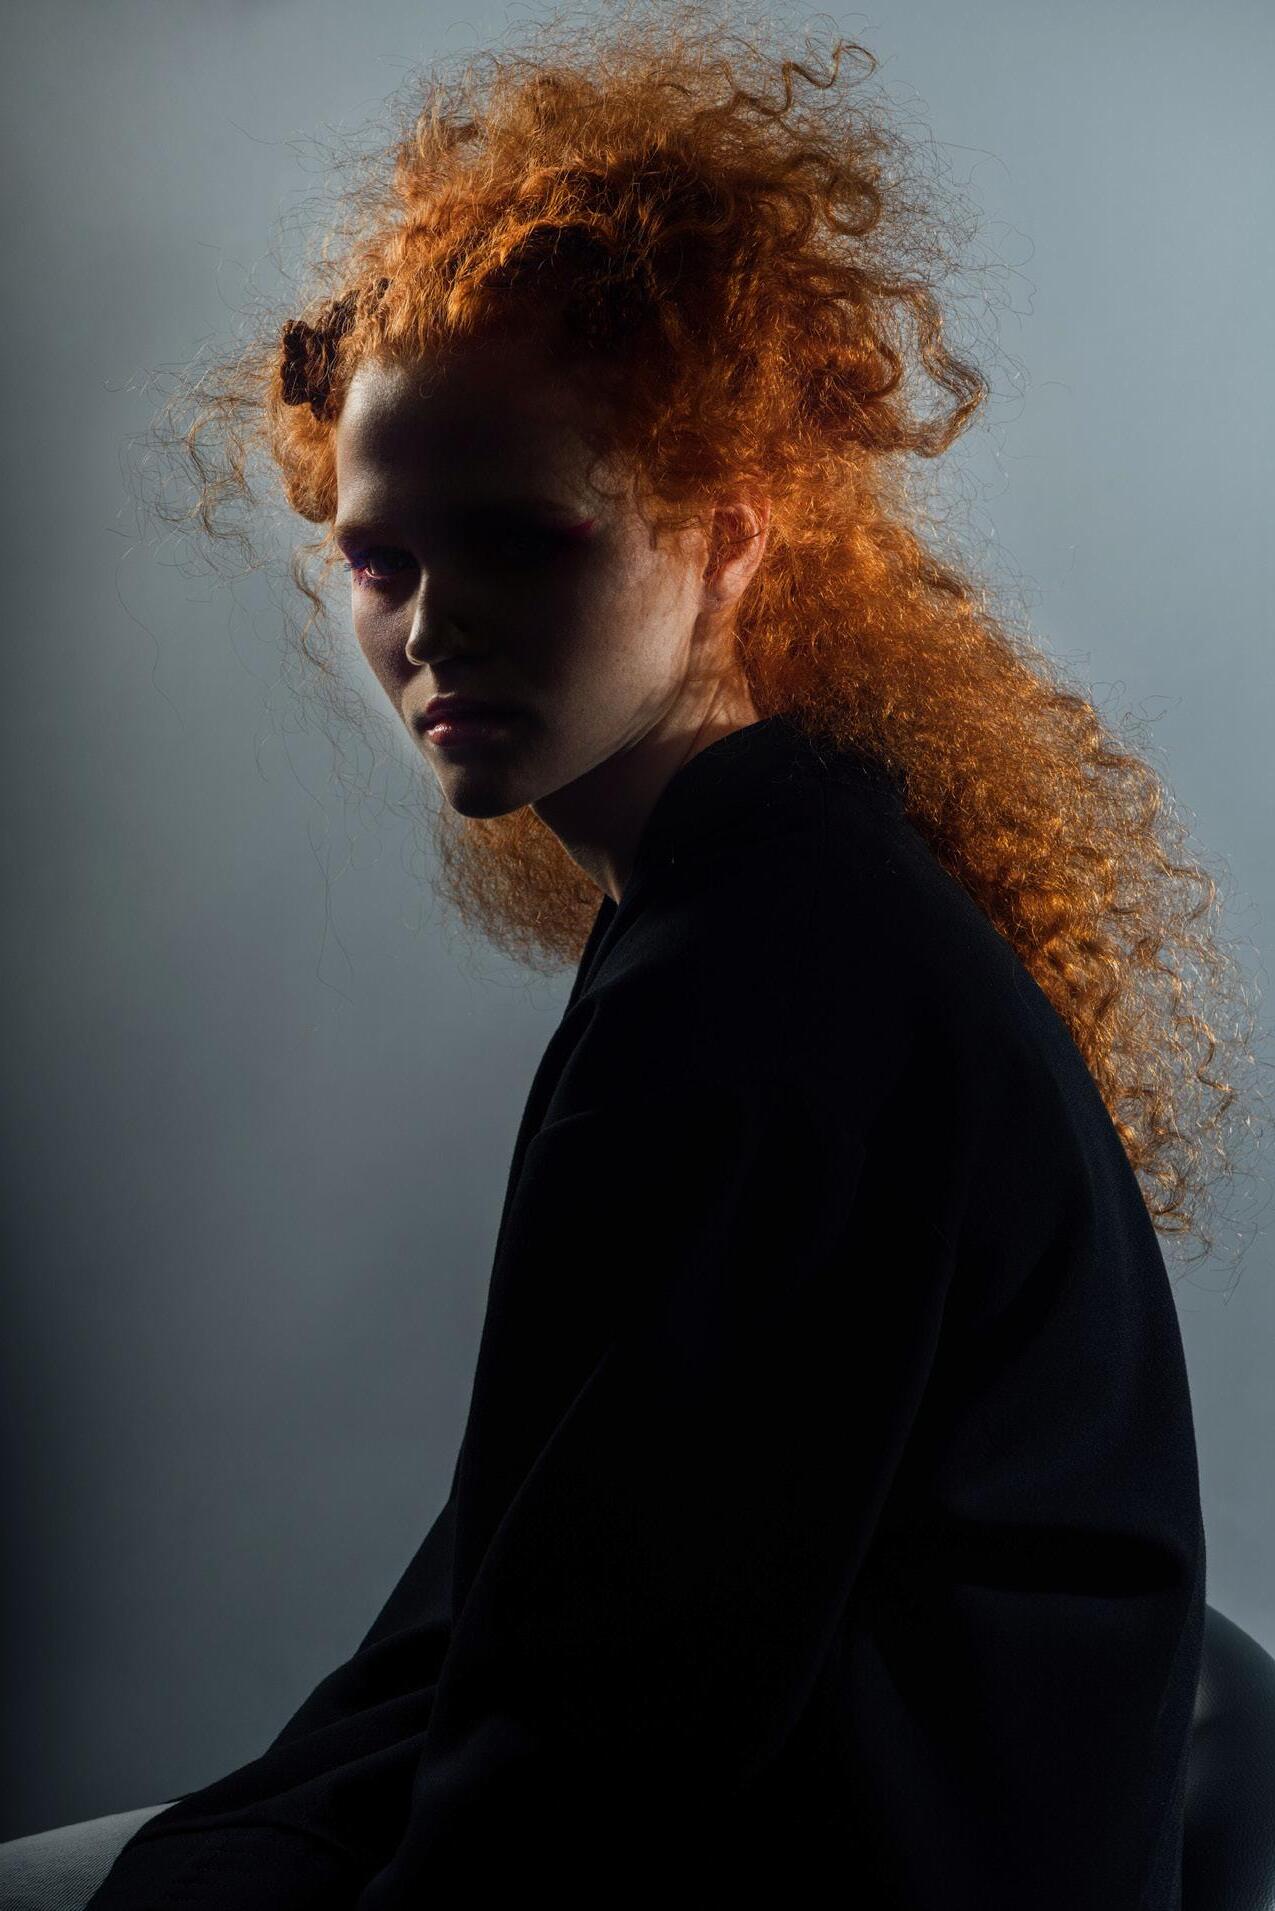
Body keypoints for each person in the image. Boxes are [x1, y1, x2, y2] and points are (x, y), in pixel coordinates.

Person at [8, 2, 1259, 1904]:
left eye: (524, 541)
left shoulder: (762, 989)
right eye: (379, 558)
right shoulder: (770, 897)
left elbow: (610, 1737)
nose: (435, 627)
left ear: (729, 544)